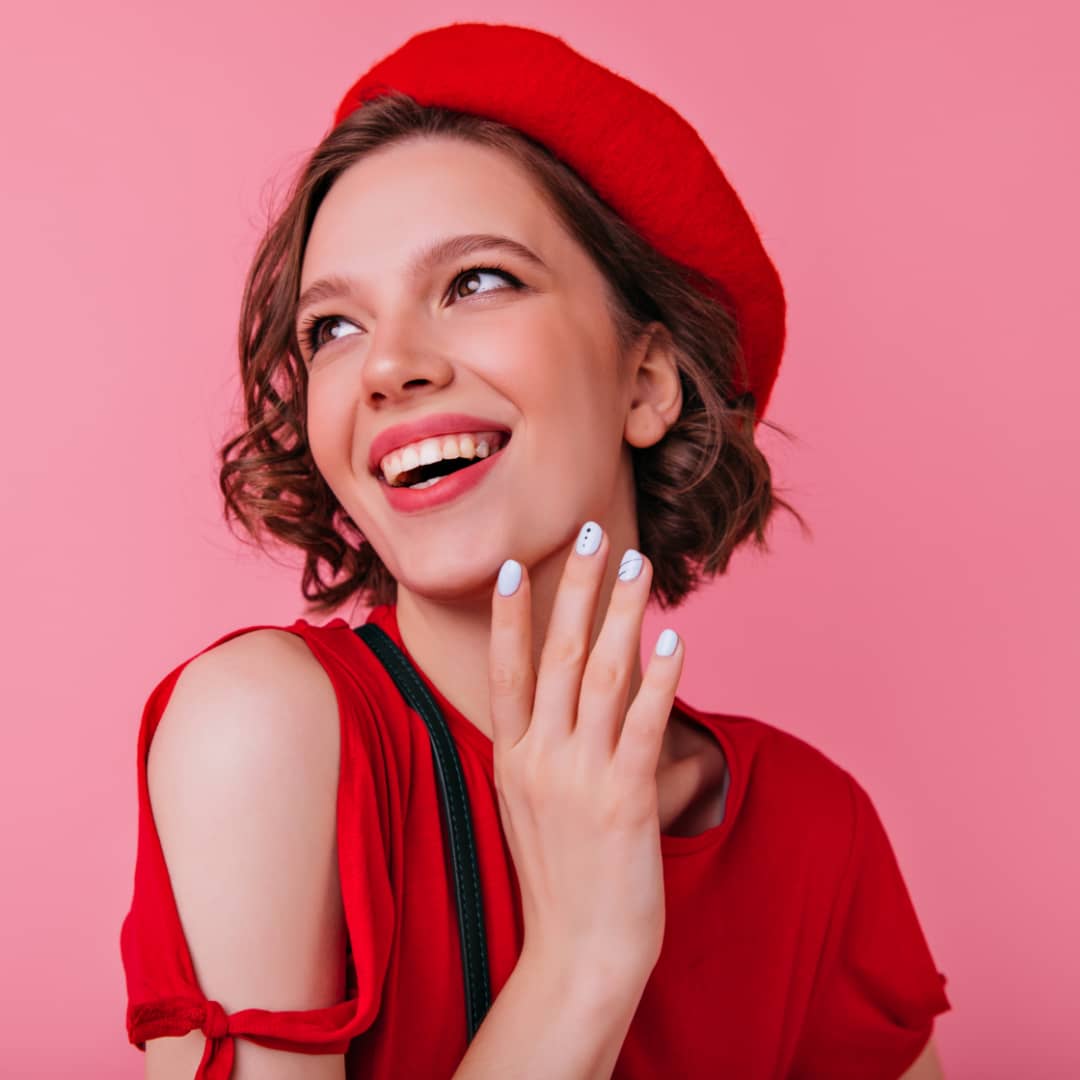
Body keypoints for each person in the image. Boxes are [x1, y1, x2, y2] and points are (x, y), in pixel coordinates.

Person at [119, 22, 951, 1080]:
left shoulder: (811, 831)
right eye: (333, 329)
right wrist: (581, 961)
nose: (388, 367)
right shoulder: (260, 732)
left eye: (476, 282)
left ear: (647, 381)